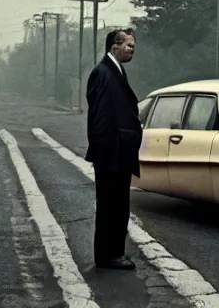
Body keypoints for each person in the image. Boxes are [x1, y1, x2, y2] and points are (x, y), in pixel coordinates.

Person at [85, 28, 141, 270]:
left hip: (118, 152)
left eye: (133, 46)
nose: (132, 50)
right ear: (114, 46)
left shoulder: (115, 71)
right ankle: (109, 255)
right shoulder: (103, 73)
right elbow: (99, 118)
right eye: (128, 46)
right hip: (111, 154)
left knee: (117, 205)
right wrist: (105, 153)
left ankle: (112, 253)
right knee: (111, 205)